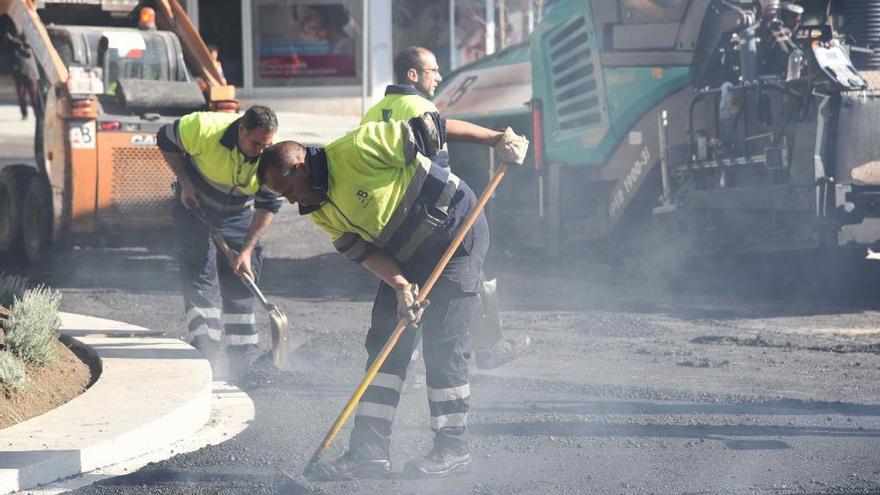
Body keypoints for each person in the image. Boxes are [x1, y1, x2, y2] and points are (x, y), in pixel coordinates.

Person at [257, 114, 528, 480]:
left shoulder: (359, 149)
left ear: (301, 167)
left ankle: (452, 447)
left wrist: (497, 138)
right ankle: (369, 453)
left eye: (287, 190)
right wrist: (401, 285)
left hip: (456, 234)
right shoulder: (319, 211)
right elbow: (365, 253)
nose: (289, 201)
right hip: (405, 259)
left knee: (442, 346)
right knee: (385, 345)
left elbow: (438, 127)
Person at [362, 46, 531, 371]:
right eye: (433, 70)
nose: (439, 76)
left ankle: (405, 360)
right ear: (413, 75)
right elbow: (438, 168)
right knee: (467, 274)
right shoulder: (419, 105)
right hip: (428, 216)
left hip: (388, 220)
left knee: (409, 288)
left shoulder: (374, 111)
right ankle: (489, 349)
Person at [156, 106, 282, 379]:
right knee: (201, 276)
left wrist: (247, 250)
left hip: (238, 213)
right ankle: (205, 351)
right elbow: (165, 138)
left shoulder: (274, 156)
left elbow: (268, 204)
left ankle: (244, 360)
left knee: (243, 279)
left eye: (267, 144)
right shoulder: (203, 128)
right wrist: (185, 181)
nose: (261, 151)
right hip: (196, 206)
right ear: (241, 130)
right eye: (255, 143)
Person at [4, 30, 40, 120]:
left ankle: (37, 114)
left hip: (31, 74)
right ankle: (25, 114)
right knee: (22, 95)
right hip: (21, 74)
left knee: (34, 97)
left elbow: (25, 50)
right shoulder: (16, 47)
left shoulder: (28, 47)